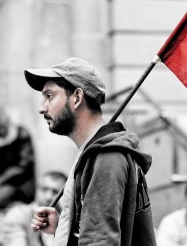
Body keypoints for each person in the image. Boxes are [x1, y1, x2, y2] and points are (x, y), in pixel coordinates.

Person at [25, 57, 157, 245]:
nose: (41, 107)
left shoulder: (107, 157)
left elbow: (100, 241)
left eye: (49, 96)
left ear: (77, 98)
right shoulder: (97, 153)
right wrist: (66, 225)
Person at [3, 171, 67, 246]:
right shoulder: (18, 214)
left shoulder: (68, 220)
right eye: (44, 189)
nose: (48, 196)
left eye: (55, 192)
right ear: (36, 188)